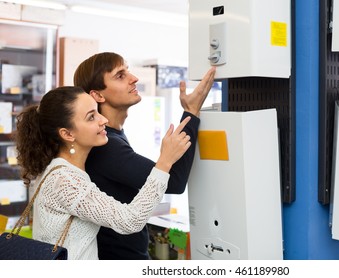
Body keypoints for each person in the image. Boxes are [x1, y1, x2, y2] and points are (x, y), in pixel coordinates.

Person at [14, 86, 193, 260]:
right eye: (91, 117)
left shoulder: (61, 170)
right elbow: (130, 220)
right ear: (67, 134)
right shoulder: (65, 181)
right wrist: (165, 161)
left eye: (97, 111)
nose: (103, 120)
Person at [73, 52, 216, 259]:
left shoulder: (111, 137)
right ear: (98, 95)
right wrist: (191, 112)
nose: (134, 78)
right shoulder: (106, 146)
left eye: (128, 70)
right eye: (120, 76)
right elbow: (174, 182)